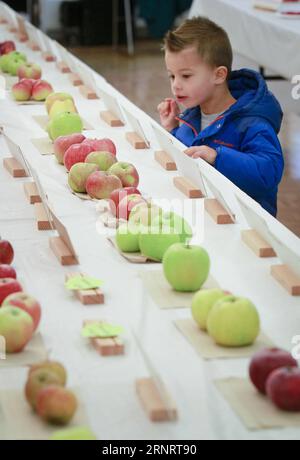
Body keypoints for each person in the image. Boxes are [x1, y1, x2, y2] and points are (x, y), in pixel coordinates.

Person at [158, 16, 284, 217]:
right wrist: (172, 129)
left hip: (248, 228)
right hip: (209, 216)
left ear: (219, 75)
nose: (176, 85)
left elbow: (268, 173)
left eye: (186, 76)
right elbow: (190, 155)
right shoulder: (192, 116)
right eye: (172, 76)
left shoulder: (253, 122)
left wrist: (218, 157)